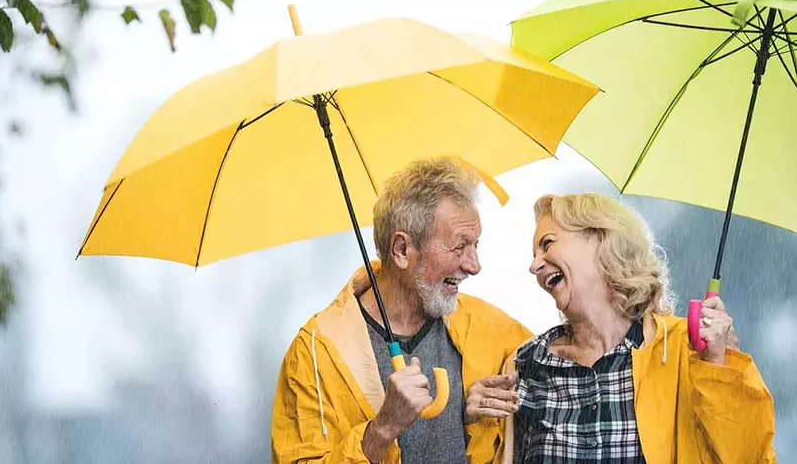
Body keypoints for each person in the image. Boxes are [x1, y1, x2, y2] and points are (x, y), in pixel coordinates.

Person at [466, 193, 776, 463]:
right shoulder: (524, 365)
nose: (534, 266)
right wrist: (472, 421)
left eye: (547, 245)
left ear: (601, 239)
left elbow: (747, 456)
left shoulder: (686, 351)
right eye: (534, 255)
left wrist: (718, 367)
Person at [271, 156, 532, 463]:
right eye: (459, 247)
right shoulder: (315, 354)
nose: (474, 266)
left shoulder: (491, 329)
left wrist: (491, 416)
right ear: (402, 250)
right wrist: (383, 429)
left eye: (476, 245)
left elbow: (569, 377)